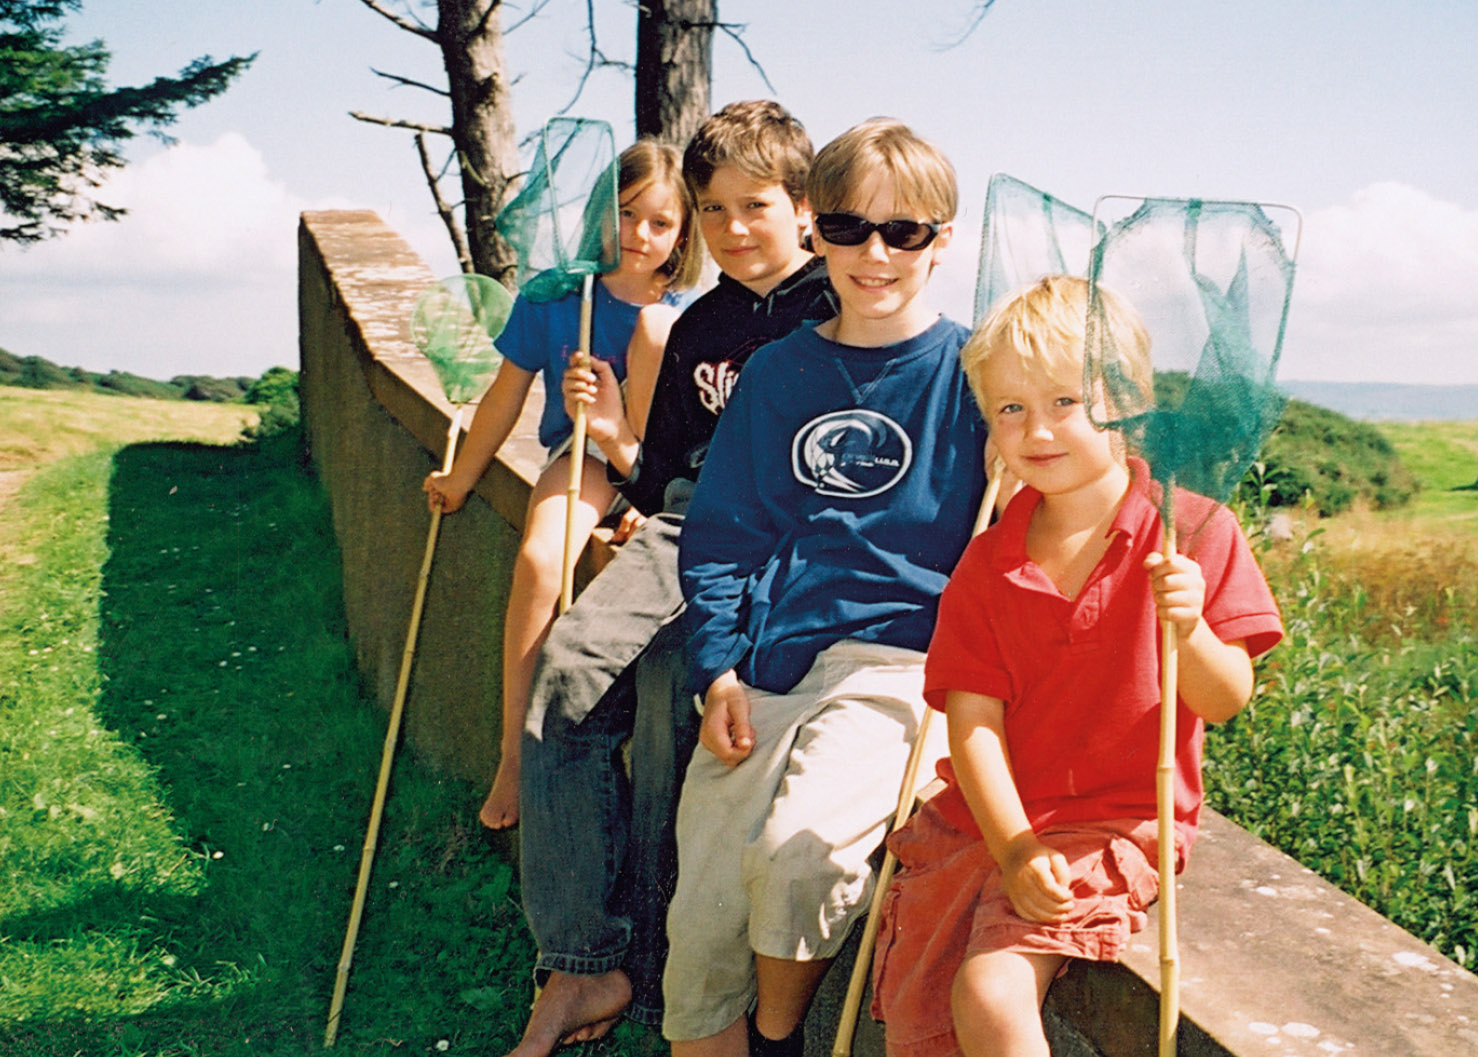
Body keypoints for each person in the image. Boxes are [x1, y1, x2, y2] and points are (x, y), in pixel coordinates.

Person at [870, 275, 1286, 1057]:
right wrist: (1015, 844)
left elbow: (1226, 696)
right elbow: (974, 726)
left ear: (1128, 400)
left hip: (1114, 819)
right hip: (996, 818)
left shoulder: (1192, 529)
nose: (1038, 429)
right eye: (1011, 409)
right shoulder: (986, 562)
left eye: (1065, 401)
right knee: (920, 997)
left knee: (990, 991)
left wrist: (1188, 627)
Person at [507, 100, 836, 1057]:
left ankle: (667, 985)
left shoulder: (838, 304)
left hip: (799, 532)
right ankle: (584, 956)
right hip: (692, 520)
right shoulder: (699, 326)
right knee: (567, 673)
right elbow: (662, 473)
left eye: (756, 206)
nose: (734, 230)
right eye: (715, 210)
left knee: (675, 725)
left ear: (805, 205)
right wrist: (622, 503)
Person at [664, 118, 988, 1057]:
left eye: (905, 232)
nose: (875, 253)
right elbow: (723, 536)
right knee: (706, 917)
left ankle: (778, 1038)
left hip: (900, 667)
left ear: (942, 240)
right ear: (815, 229)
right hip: (769, 660)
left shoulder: (975, 376)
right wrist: (719, 669)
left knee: (799, 859)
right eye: (848, 228)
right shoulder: (776, 374)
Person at [422, 139, 701, 831]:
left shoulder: (691, 315)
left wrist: (653, 499)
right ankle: (514, 750)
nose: (640, 235)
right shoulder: (554, 299)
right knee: (542, 560)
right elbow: (503, 398)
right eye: (626, 213)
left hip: (655, 465)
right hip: (581, 455)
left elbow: (690, 429)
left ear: (684, 233)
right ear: (600, 213)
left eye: (660, 222)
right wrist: (461, 478)